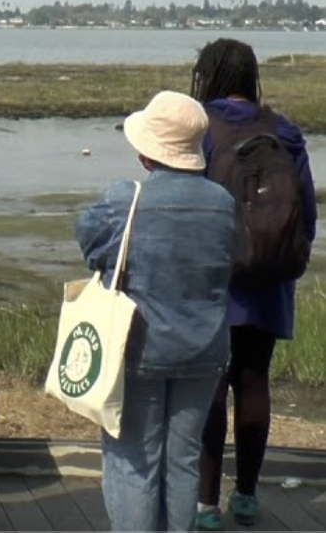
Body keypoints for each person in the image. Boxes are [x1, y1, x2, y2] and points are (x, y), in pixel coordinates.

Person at [76, 90, 237, 532]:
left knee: (134, 461)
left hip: (141, 347)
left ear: (148, 152)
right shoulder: (223, 204)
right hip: (206, 350)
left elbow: (88, 241)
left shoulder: (124, 199)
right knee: (183, 461)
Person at [191, 39, 316, 530]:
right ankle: (245, 495)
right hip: (269, 278)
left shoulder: (201, 126)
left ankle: (205, 505)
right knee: (254, 380)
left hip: (214, 279)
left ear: (210, 77)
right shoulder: (284, 130)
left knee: (212, 387)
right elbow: (306, 211)